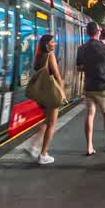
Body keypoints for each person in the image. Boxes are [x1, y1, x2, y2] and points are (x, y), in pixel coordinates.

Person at [75, 21, 105, 155]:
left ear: (87, 33)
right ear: (98, 33)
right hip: (104, 85)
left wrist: (89, 67)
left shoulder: (81, 48)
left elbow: (79, 67)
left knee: (90, 115)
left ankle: (89, 147)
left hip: (89, 86)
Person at [25, 35, 64, 165]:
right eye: (53, 42)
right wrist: (62, 92)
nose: (55, 44)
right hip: (52, 94)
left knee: (47, 121)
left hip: (43, 94)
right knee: (52, 124)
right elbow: (57, 75)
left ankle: (34, 145)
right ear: (47, 44)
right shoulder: (50, 55)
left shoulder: (39, 57)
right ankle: (43, 154)